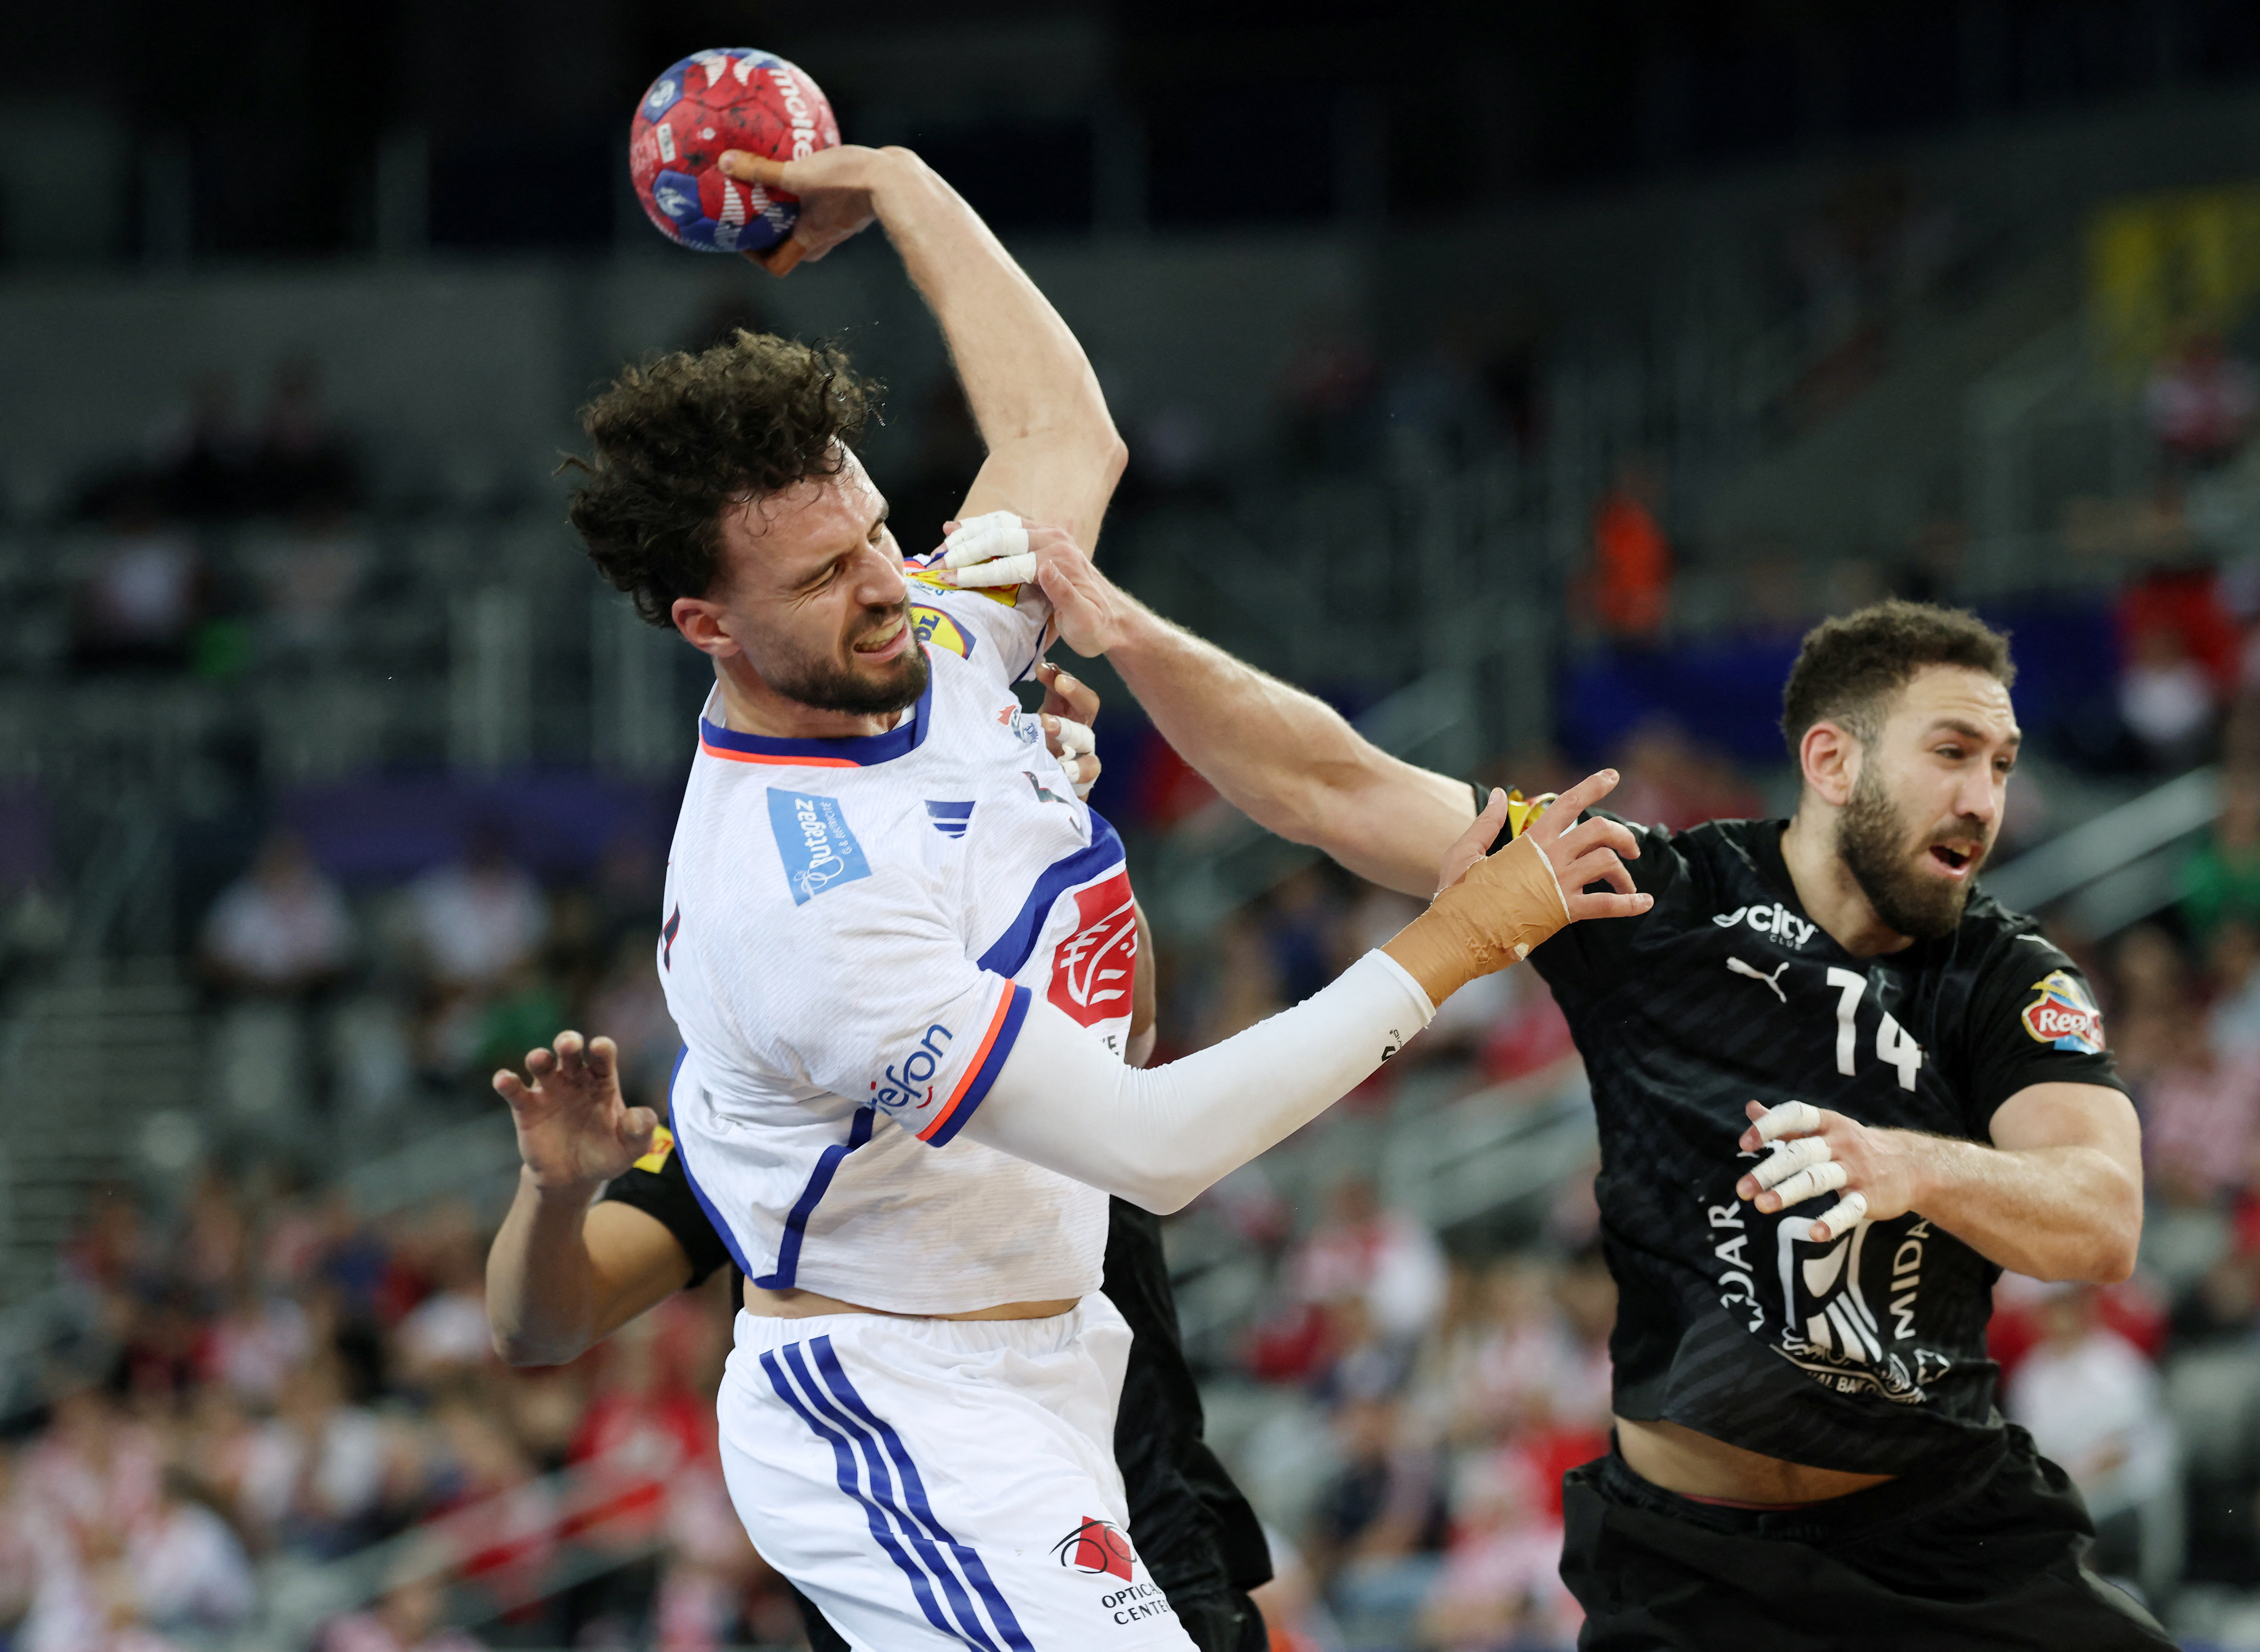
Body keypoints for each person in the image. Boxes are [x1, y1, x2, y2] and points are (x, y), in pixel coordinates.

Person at [556, 136, 1637, 1650]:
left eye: (875, 529)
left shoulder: (921, 634)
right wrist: (1460, 937)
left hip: (1061, 1349)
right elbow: (1160, 1147)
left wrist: (901, 191)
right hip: (900, 1399)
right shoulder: (791, 896)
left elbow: (1064, 432)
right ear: (703, 625)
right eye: (822, 579)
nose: (885, 583)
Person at [957, 538, 2171, 1648]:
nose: (1984, 797)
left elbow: (2100, 1215)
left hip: (1948, 1538)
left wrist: (1910, 1165)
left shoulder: (2006, 976)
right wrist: (1130, 629)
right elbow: (1327, 786)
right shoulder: (1655, 895)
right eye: (1952, 753)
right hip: (1698, 1568)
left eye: (2002, 765)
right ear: (1832, 758)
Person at [485, 897, 1277, 1651]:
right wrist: (554, 1193)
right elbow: (539, 1325)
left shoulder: (1045, 1020)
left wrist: (1066, 834)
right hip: (921, 1597)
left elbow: (1134, 1032)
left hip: (1149, 1558)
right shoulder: (764, 1121)